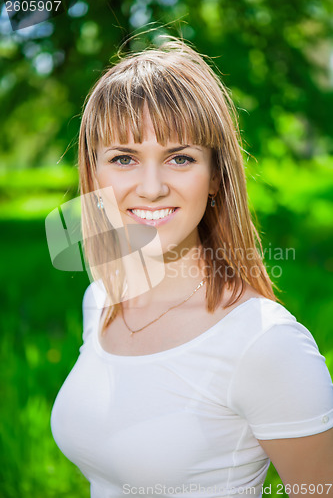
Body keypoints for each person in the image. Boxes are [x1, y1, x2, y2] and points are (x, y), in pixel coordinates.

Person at [51, 37, 333, 498]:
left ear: (217, 174)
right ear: (94, 173)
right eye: (124, 158)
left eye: (180, 158)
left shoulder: (267, 345)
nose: (151, 186)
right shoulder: (101, 299)